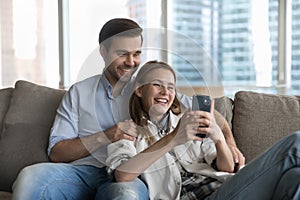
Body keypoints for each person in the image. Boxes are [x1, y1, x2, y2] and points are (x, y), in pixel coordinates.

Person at [11, 18, 243, 199]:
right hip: (83, 173)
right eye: (122, 54)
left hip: (134, 175)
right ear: (103, 51)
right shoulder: (79, 92)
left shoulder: (150, 86)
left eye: (137, 53)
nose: (131, 62)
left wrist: (229, 143)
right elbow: (57, 152)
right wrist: (107, 136)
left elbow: (209, 115)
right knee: (30, 178)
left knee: (125, 193)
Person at [106, 60, 300, 200]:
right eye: (157, 85)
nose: (166, 92)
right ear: (139, 90)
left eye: (171, 87)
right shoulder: (128, 131)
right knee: (295, 144)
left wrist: (219, 138)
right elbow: (122, 175)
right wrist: (174, 138)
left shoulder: (190, 121)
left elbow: (225, 167)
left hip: (224, 187)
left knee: (295, 178)